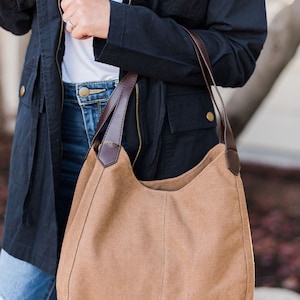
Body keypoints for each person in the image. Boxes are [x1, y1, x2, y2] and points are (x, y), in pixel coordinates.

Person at [0, 0, 267, 299]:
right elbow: (13, 18)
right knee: (20, 288)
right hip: (48, 129)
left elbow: (238, 52)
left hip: (160, 147)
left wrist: (119, 25)